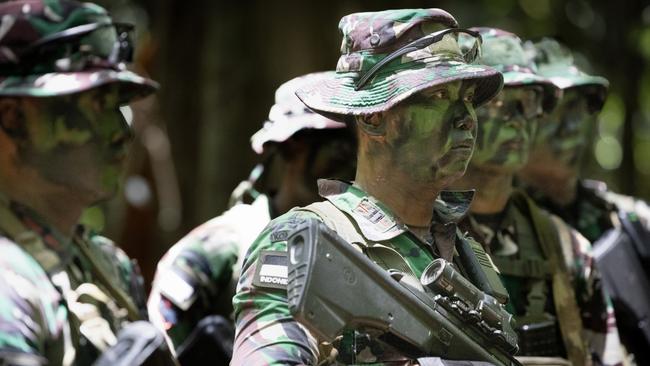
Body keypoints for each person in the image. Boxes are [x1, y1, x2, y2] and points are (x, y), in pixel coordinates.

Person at [232, 8, 509, 365]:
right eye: (439, 97)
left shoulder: (471, 257)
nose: (466, 118)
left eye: (468, 97)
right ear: (373, 117)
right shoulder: (305, 242)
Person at [147, 71, 356, 363]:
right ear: (294, 145)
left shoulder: (366, 249)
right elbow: (159, 343)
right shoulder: (222, 246)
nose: (356, 160)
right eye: (343, 144)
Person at [0, 0, 167, 364]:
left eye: (118, 105)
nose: (123, 132)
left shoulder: (106, 264)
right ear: (13, 116)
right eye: (95, 106)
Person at [451, 28, 623, 366]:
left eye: (529, 103)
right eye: (499, 102)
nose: (518, 120)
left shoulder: (567, 248)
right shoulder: (415, 233)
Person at [518, 38, 650, 365]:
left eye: (579, 107)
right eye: (555, 111)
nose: (572, 127)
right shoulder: (496, 226)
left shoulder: (629, 219)